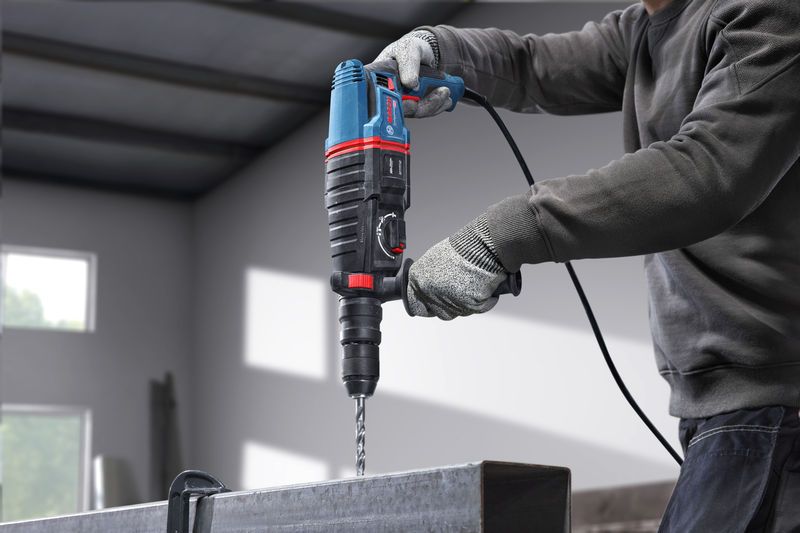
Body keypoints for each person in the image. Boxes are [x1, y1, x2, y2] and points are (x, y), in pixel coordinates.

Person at [374, 0, 800, 531]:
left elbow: (709, 171)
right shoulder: (644, 26)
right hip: (721, 410)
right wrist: (438, 49)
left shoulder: (765, 13)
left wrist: (499, 236)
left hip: (775, 402)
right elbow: (532, 66)